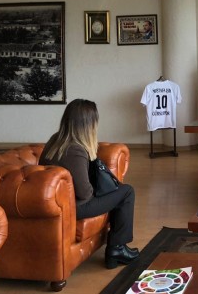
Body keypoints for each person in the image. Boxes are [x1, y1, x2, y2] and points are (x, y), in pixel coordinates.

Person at [39, 99, 139, 269]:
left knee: (119, 191)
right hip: (76, 207)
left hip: (60, 204)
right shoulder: (75, 150)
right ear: (88, 124)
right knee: (126, 192)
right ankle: (116, 248)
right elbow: (84, 193)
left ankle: (117, 247)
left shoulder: (55, 140)